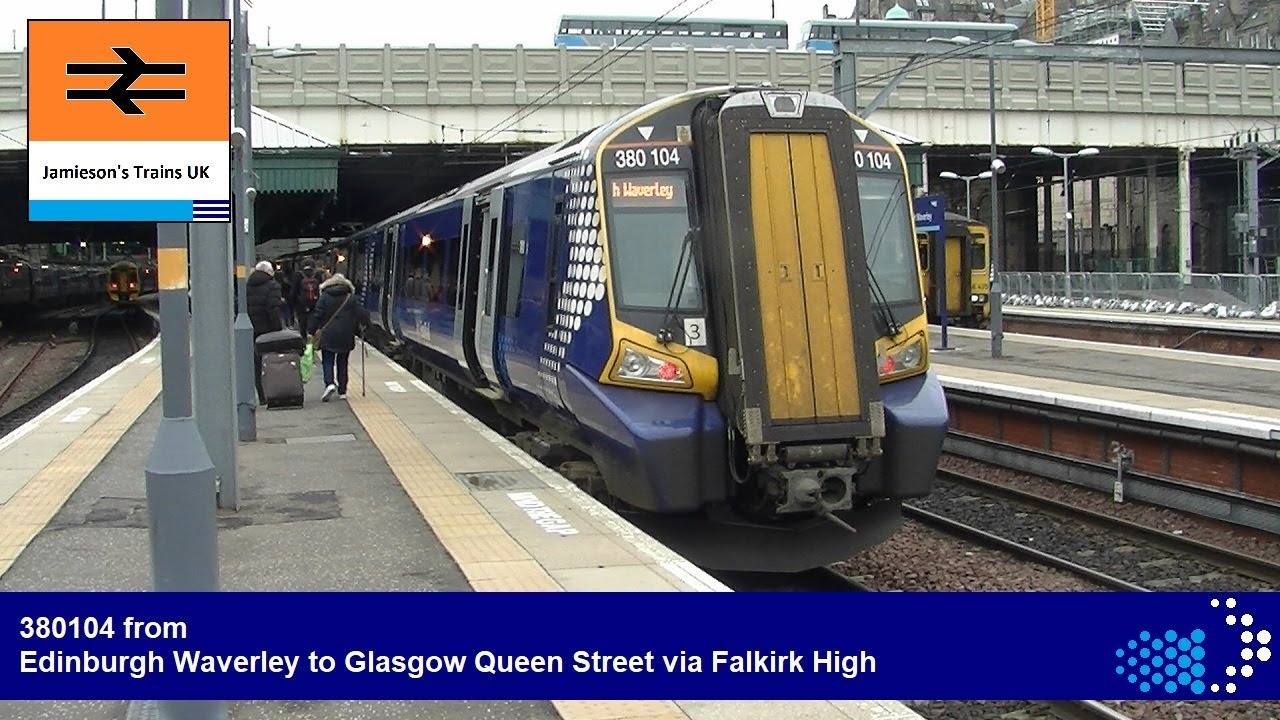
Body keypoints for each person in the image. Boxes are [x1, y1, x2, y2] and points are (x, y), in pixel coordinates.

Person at [307, 273, 369, 402]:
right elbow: (362, 314)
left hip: (328, 334)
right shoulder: (350, 298)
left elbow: (317, 315)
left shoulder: (324, 297)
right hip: (346, 335)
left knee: (328, 360)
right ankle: (342, 391)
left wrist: (311, 331)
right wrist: (366, 325)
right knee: (343, 362)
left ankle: (329, 384)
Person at [246, 260, 285, 404]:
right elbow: (273, 310)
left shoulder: (248, 285)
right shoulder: (273, 286)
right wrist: (278, 330)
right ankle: (274, 392)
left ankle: (262, 396)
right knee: (272, 362)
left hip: (252, 329)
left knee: (257, 363)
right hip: (268, 331)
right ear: (270, 273)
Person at [289, 262, 321, 332]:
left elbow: (293, 291)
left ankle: (304, 339)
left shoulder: (297, 275)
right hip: (314, 304)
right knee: (313, 324)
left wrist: (293, 304)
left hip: (301, 305)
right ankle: (311, 338)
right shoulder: (317, 275)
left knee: (302, 324)